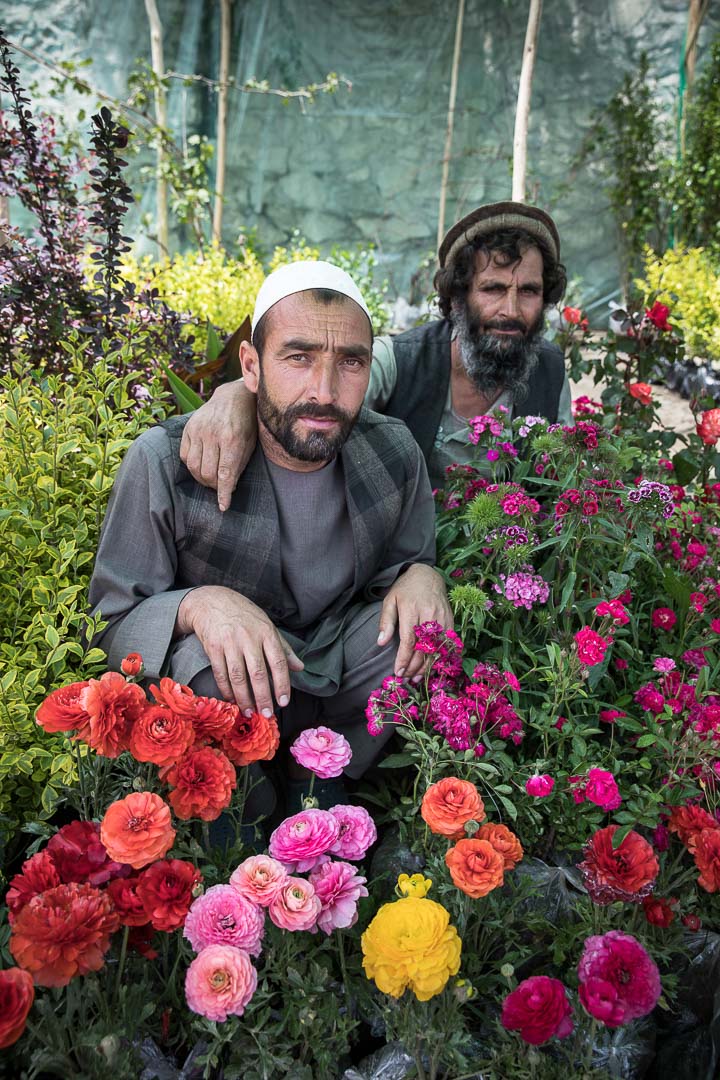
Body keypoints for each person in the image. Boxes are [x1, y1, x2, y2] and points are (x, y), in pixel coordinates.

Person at [88, 261, 451, 780]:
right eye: (298, 357)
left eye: (350, 362)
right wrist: (198, 605)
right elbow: (112, 620)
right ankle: (241, 825)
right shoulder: (165, 461)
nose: (324, 391)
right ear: (252, 367)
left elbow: (405, 564)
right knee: (208, 665)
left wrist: (422, 574)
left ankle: (330, 792)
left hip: (340, 664)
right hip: (231, 702)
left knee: (419, 635)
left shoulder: (391, 450)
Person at [180, 201, 573, 503]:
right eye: (492, 289)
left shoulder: (551, 373)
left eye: (528, 291)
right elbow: (308, 397)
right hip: (398, 565)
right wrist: (234, 395)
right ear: (457, 296)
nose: (510, 310)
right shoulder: (398, 361)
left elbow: (563, 485)